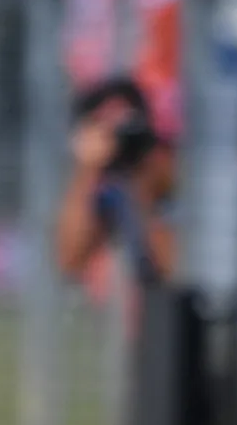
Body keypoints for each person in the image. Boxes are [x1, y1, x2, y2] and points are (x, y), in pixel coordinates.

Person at [53, 75, 176, 309]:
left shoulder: (172, 173)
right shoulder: (116, 186)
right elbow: (70, 261)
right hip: (159, 324)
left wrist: (145, 189)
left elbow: (178, 272)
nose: (119, 141)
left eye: (125, 127)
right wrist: (86, 170)